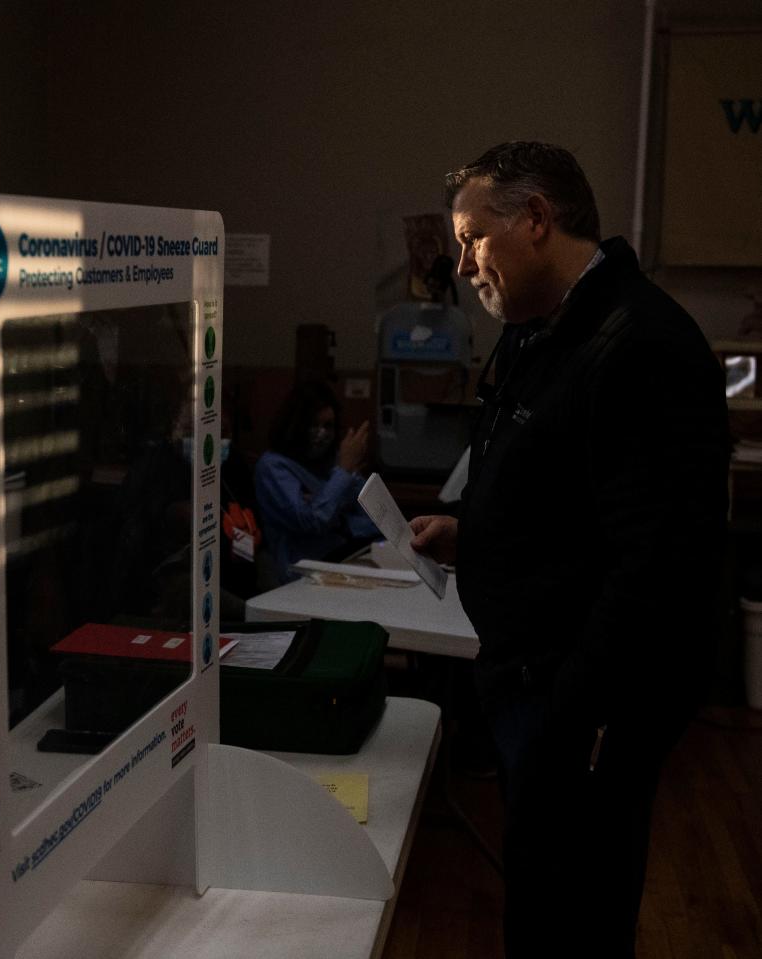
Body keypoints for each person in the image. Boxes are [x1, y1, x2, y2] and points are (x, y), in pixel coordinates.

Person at [410, 142, 729, 957]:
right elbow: (562, 499)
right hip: (532, 681)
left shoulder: (640, 344)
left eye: (473, 236)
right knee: (540, 899)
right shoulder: (540, 328)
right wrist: (474, 537)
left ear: (537, 220)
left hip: (580, 704)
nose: (462, 260)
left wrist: (571, 717)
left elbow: (653, 568)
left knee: (573, 914)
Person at [254, 381, 379, 583]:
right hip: (304, 572)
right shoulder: (274, 466)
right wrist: (343, 474)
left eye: (327, 426)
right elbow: (312, 521)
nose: (321, 434)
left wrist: (338, 517)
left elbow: (374, 519)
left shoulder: (332, 463)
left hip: (350, 556)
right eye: (313, 425)